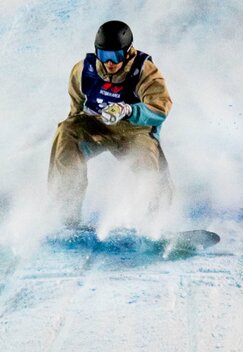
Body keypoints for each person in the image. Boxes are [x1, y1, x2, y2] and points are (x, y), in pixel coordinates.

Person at [48, 20, 173, 226]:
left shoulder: (144, 71)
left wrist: (129, 109)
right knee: (65, 132)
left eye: (116, 56)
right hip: (99, 126)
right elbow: (75, 107)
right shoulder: (83, 71)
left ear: (128, 51)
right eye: (104, 55)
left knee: (151, 172)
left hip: (135, 131)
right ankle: (66, 215)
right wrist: (77, 128)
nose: (110, 63)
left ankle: (155, 223)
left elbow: (160, 108)